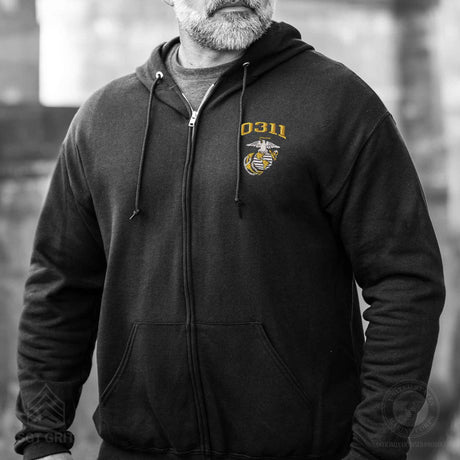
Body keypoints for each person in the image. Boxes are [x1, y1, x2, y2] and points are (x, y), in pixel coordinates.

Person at [14, 0, 446, 459]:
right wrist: (43, 438)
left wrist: (376, 448)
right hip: (135, 449)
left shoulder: (337, 103)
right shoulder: (103, 119)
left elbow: (405, 282)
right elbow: (59, 287)